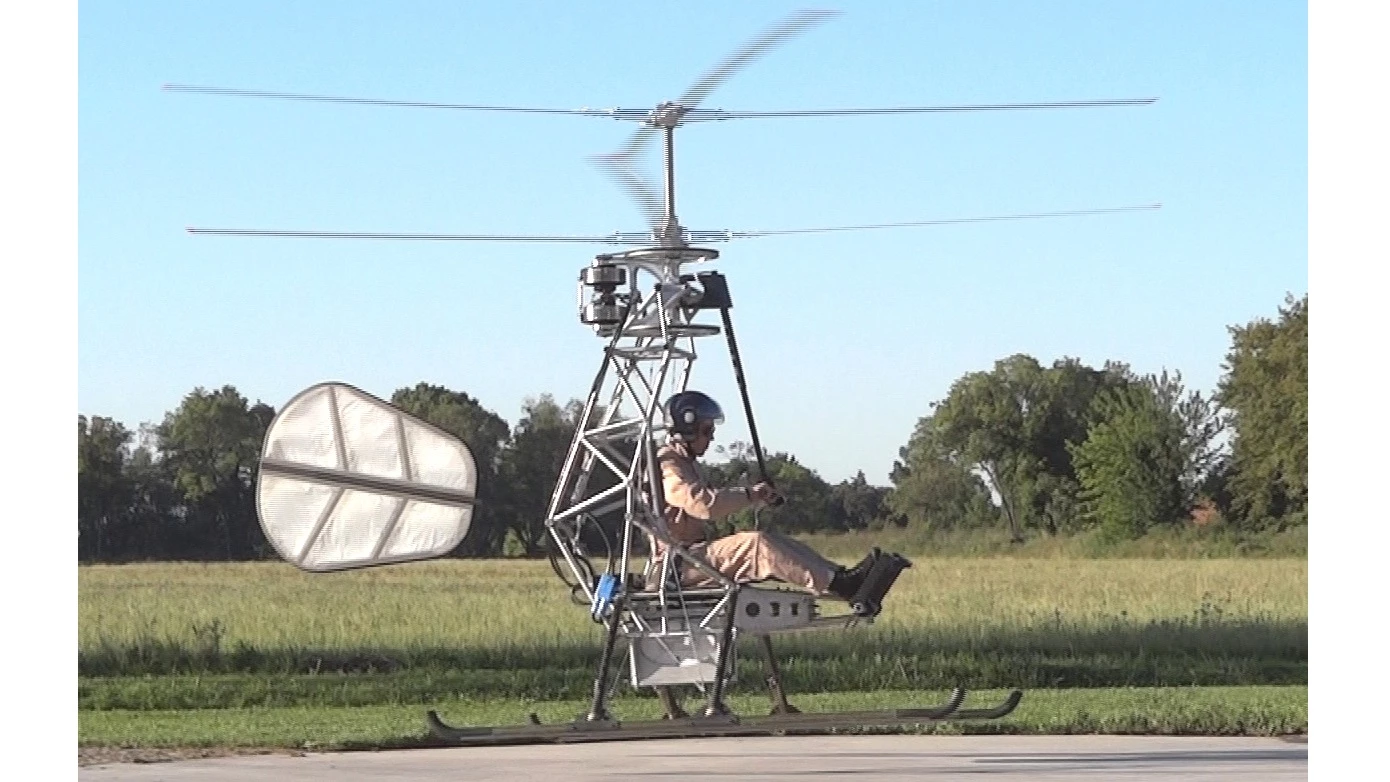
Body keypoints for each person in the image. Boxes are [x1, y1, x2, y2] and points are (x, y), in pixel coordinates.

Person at [653, 389, 903, 603]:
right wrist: (750, 494)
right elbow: (703, 505)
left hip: (693, 558)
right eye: (707, 430)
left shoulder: (687, 463)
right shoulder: (668, 465)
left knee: (773, 540)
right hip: (678, 567)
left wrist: (755, 495)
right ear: (687, 430)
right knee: (756, 545)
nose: (712, 437)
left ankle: (840, 576)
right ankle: (839, 584)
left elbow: (712, 500)